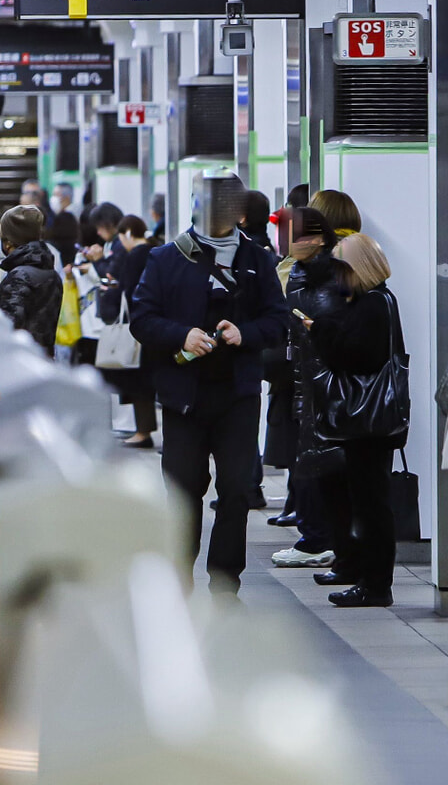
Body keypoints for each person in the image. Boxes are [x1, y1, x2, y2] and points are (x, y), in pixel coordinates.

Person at [130, 170, 289, 595]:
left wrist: (246, 334)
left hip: (237, 395)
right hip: (184, 397)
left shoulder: (258, 260)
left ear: (238, 211)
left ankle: (224, 582)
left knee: (236, 490)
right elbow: (141, 319)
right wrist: (180, 335)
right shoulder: (166, 258)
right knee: (183, 492)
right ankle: (178, 577)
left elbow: (278, 320)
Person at [300, 233, 405, 607]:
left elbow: (355, 355)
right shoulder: (380, 301)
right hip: (375, 419)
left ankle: (375, 584)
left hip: (366, 422)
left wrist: (322, 331)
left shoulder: (372, 305)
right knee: (369, 500)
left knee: (370, 502)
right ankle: (370, 578)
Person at [268, 208, 343, 568]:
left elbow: (320, 325)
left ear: (317, 238)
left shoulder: (324, 275)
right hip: (305, 378)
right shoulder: (299, 272)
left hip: (323, 380)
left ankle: (319, 540)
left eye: (295, 235)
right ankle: (318, 537)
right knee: (308, 460)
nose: (288, 242)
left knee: (317, 462)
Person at [109, 215, 157, 448]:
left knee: (139, 380)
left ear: (128, 232)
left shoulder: (135, 255)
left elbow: (128, 290)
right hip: (156, 322)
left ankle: (142, 431)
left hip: (140, 325)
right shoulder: (156, 250)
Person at [0, 206, 63, 357]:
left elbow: (7, 326)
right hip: (43, 359)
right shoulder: (51, 273)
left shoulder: (20, 276)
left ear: (8, 243)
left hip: (19, 362)